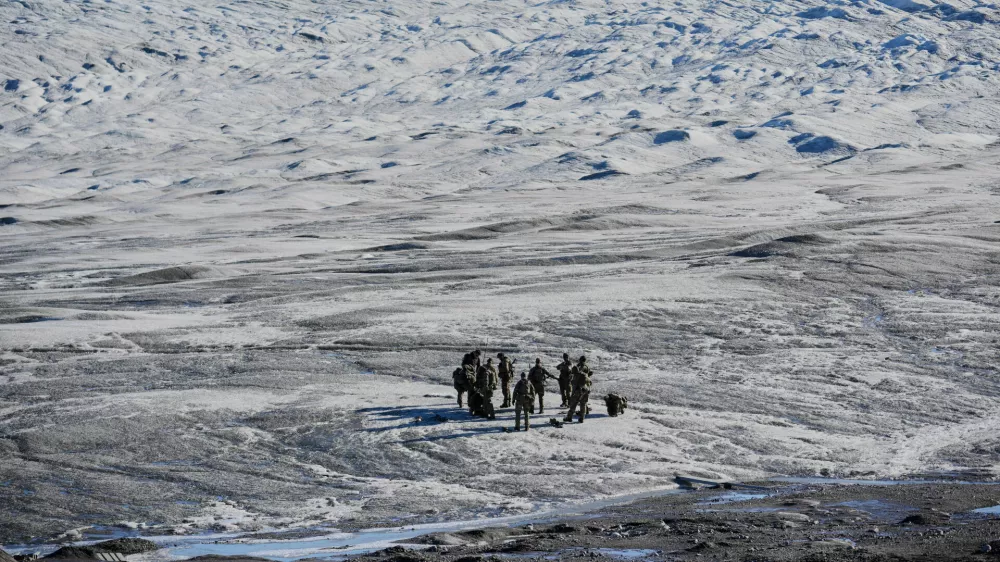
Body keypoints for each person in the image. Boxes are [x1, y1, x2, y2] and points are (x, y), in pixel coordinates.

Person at [564, 356, 592, 423]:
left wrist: (572, 395)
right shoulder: (585, 373)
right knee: (583, 404)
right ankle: (582, 418)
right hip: (585, 390)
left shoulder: (576, 376)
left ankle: (569, 417)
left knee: (573, 404)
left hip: (578, 391)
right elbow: (590, 381)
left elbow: (574, 386)